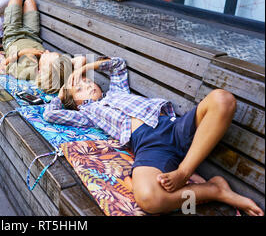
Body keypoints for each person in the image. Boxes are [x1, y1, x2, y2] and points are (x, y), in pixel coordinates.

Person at [43, 56, 264, 216]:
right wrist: (62, 95)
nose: (88, 85)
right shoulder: (87, 114)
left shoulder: (117, 91)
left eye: (88, 81)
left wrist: (85, 67)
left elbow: (117, 64)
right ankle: (214, 190)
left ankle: (185, 171)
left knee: (222, 99)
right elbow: (50, 114)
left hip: (172, 127)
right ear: (78, 105)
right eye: (80, 90)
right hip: (149, 147)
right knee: (149, 199)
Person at [2, 0, 85, 94]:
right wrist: (74, 74)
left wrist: (22, 52)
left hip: (13, 38)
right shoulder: (59, 66)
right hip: (32, 35)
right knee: (30, 2)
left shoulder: (28, 72)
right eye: (50, 52)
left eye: (47, 54)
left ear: (41, 70)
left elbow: (5, 64)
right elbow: (80, 59)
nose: (47, 51)